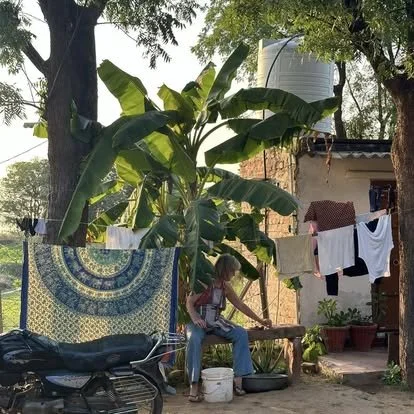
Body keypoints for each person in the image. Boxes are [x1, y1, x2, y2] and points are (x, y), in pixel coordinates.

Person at [185, 254, 272, 402]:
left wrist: (261, 321)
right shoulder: (205, 282)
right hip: (199, 322)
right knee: (194, 338)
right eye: (232, 271)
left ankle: (238, 382)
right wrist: (196, 318)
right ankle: (194, 388)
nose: (233, 274)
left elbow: (240, 305)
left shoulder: (225, 286)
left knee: (240, 333)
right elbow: (189, 302)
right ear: (224, 269)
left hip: (216, 322)